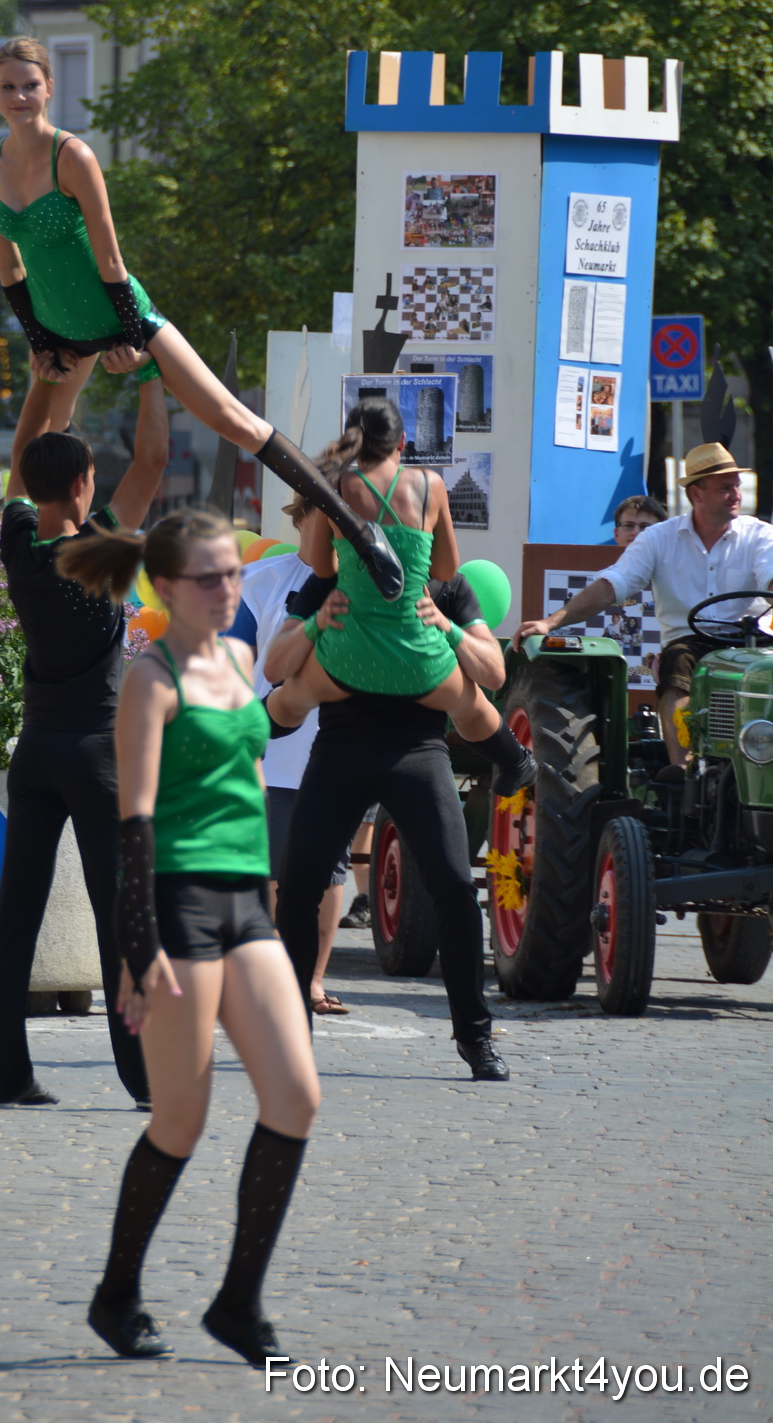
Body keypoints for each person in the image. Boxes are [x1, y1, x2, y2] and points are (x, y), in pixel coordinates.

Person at [0, 37, 405, 607]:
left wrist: (135, 344)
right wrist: (40, 343)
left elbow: (111, 263)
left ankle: (356, 528)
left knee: (234, 420)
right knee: (31, 452)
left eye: (31, 85)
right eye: (9, 87)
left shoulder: (71, 156)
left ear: (50, 88)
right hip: (59, 330)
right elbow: (9, 263)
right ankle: (32, 572)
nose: (20, 96)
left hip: (123, 312)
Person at [58, 508, 319, 1367]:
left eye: (233, 574)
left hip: (246, 902)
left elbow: (247, 781)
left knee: (295, 1097)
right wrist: (137, 950)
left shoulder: (241, 658)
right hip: (173, 905)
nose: (227, 589)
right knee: (182, 1118)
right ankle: (115, 1291)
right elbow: (130, 819)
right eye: (208, 578)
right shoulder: (150, 678)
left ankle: (238, 1303)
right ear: (163, 588)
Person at [0, 367, 168, 1108]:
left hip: (35, 755)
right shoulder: (104, 549)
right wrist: (153, 372)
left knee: (16, 921)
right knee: (118, 921)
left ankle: (9, 1074)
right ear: (87, 484)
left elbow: (25, 462)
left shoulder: (21, 548)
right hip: (98, 757)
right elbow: (153, 459)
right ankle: (143, 1079)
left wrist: (45, 381)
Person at [269, 564, 513, 1081]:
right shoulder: (327, 582)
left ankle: (475, 1035)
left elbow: (493, 674)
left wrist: (446, 626)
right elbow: (276, 666)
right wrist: (316, 623)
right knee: (296, 887)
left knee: (453, 887)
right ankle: (293, 1034)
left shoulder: (445, 584)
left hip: (418, 749)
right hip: (341, 745)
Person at [264, 400, 536, 799]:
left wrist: (353, 564)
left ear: (350, 443)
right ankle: (515, 760)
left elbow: (322, 567)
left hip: (350, 657)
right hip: (419, 656)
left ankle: (240, 735)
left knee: (291, 695)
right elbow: (446, 569)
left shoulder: (336, 485)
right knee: (471, 702)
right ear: (403, 443)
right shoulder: (431, 485)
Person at [516, 444, 773, 767]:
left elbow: (771, 576)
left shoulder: (761, 535)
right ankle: (686, 771)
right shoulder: (659, 538)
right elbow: (614, 584)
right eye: (725, 487)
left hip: (752, 643)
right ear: (697, 494)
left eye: (737, 484)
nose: (736, 494)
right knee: (676, 665)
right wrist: (551, 622)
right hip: (690, 644)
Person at [229, 493, 349, 1014]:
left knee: (331, 872)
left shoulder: (364, 583)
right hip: (274, 749)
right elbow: (235, 661)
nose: (328, 530)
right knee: (275, 872)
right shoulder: (261, 580)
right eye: (320, 516)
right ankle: (277, 977)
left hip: (342, 746)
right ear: (300, 518)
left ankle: (312, 980)